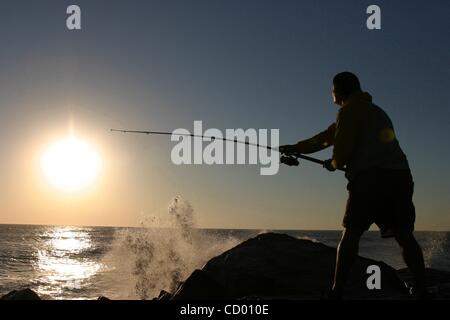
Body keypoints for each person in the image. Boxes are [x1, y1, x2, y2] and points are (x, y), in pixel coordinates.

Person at [279, 72, 427, 299]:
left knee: (351, 234)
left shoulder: (347, 112)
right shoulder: (375, 111)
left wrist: (332, 164)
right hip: (400, 177)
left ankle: (337, 291)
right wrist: (296, 148)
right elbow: (327, 137)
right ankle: (422, 289)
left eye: (332, 90)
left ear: (338, 91)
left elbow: (341, 153)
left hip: (370, 180)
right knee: (404, 235)